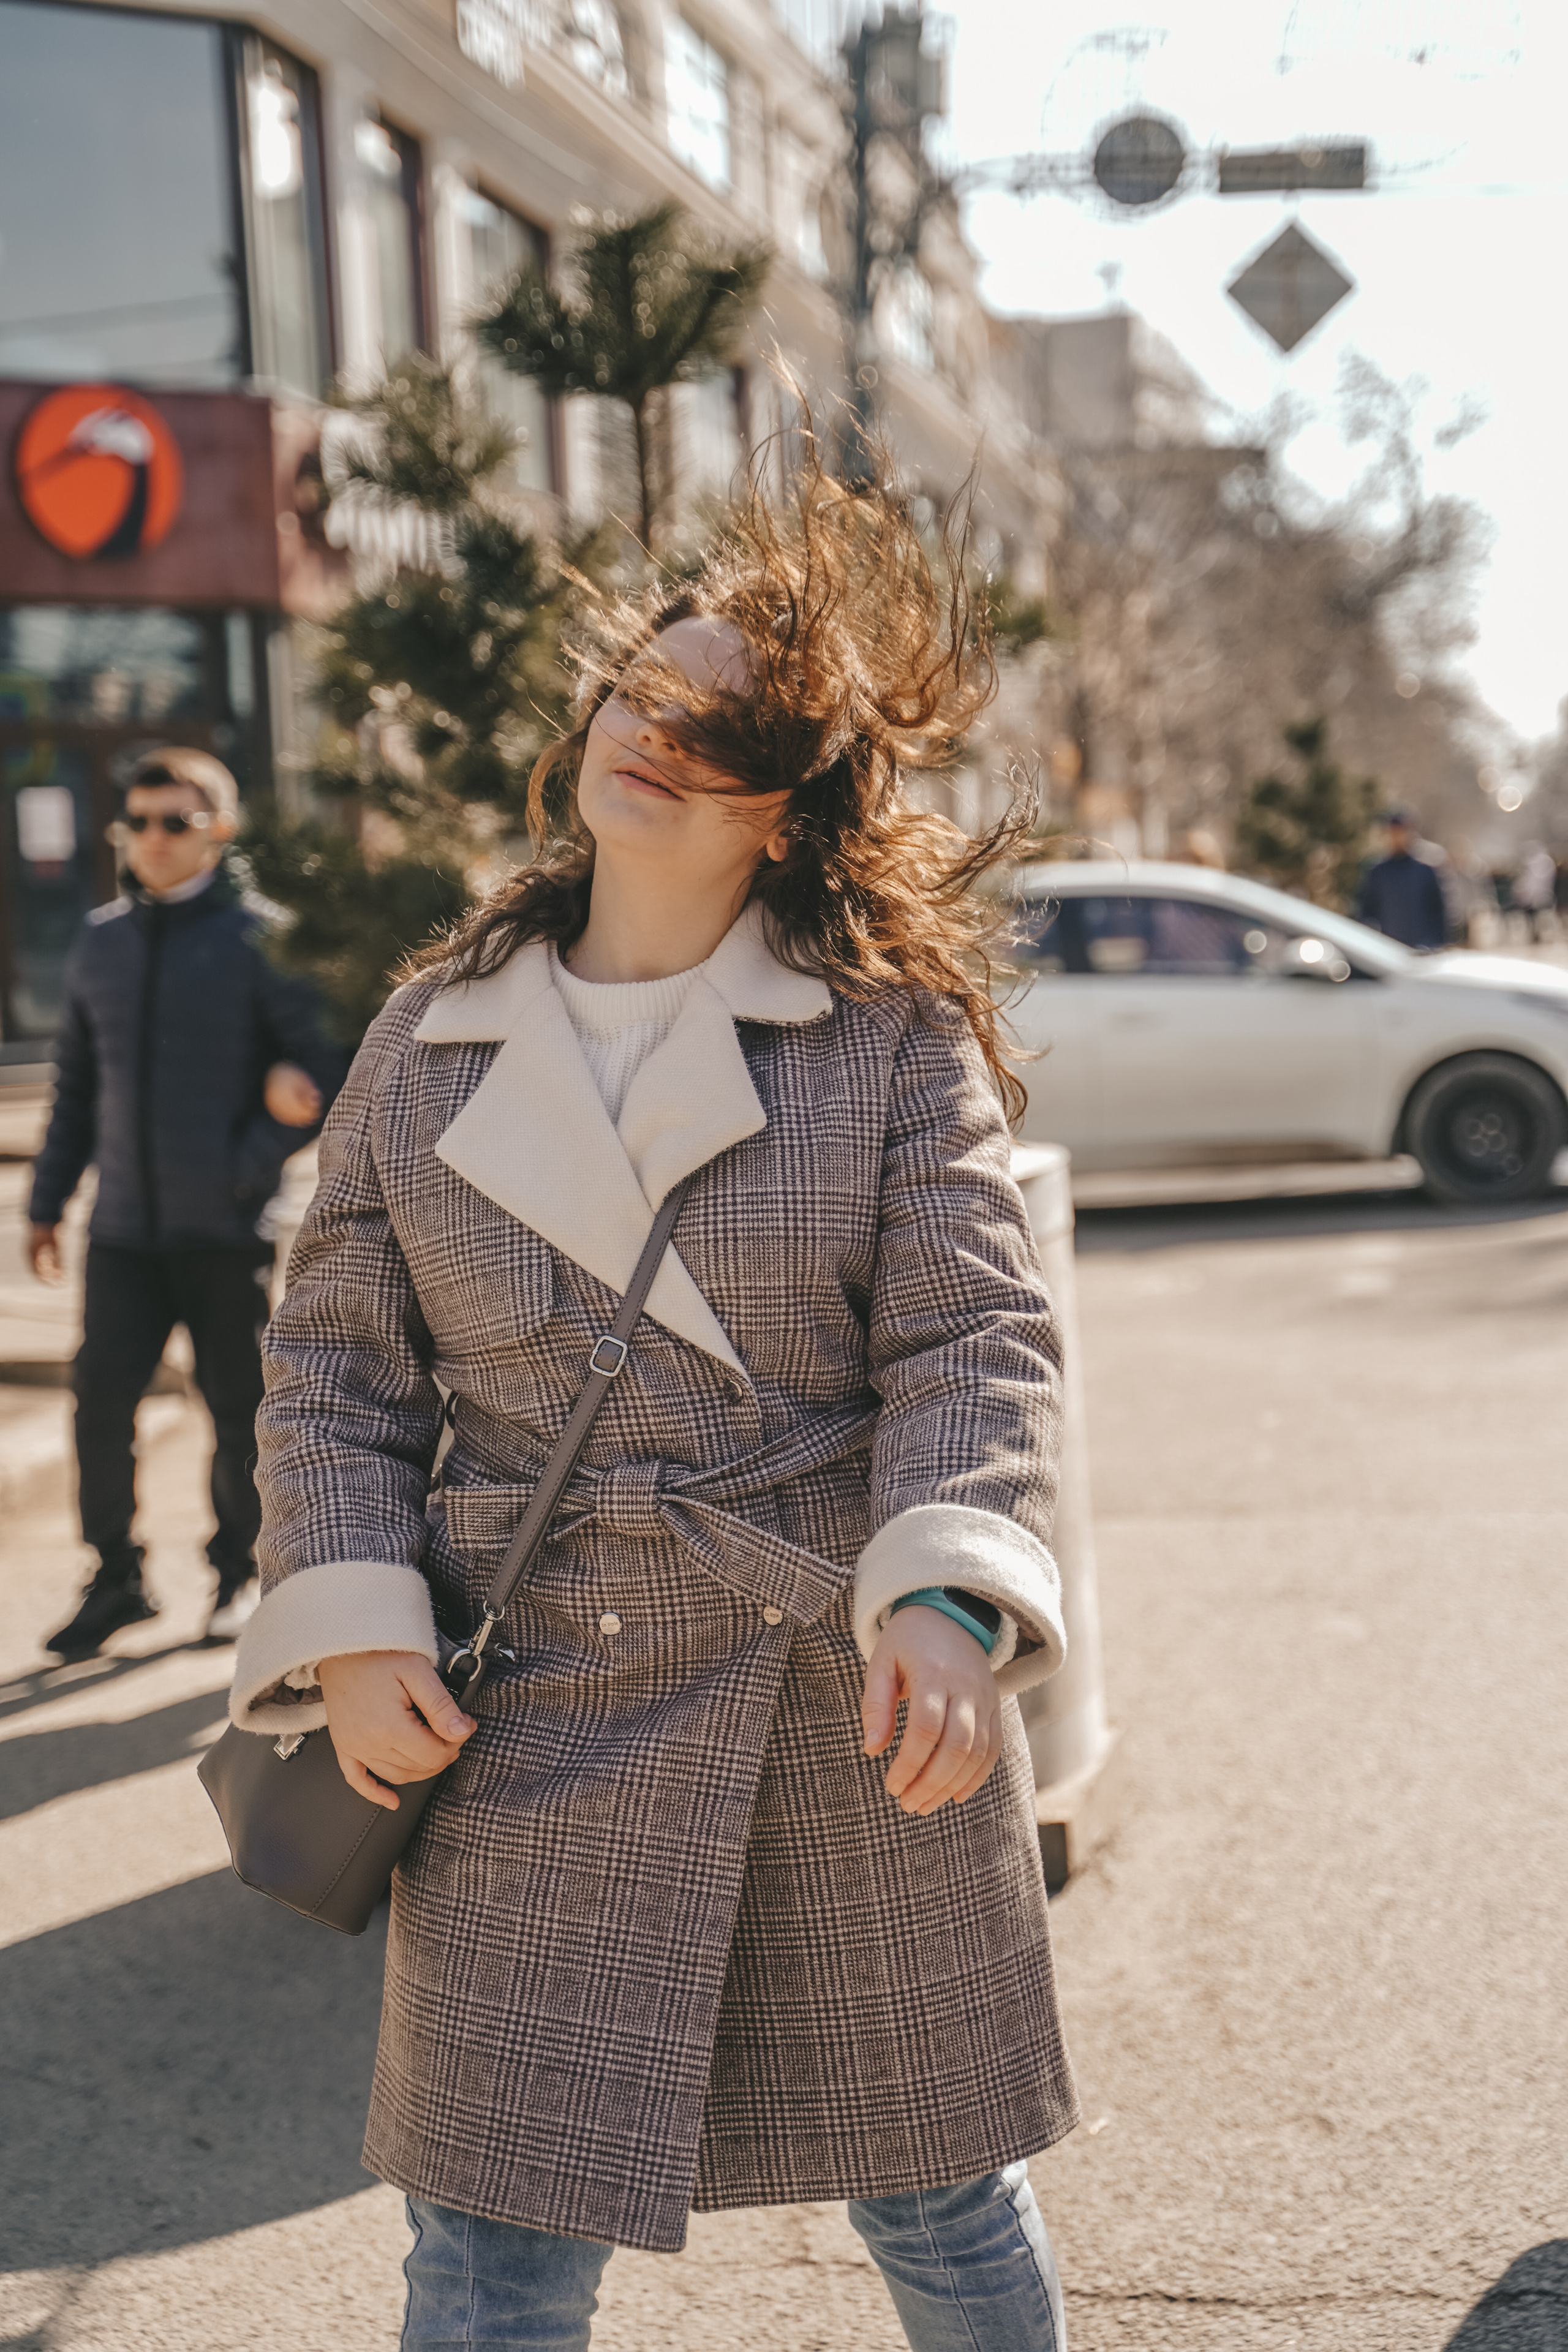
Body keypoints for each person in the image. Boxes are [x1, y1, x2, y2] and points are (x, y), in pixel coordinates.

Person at [229, 465, 1078, 2349]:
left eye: (729, 728)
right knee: (488, 2246)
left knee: (939, 2193)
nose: (662, 736)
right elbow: (334, 1367)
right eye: (642, 690)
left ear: (790, 810)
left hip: (836, 1697)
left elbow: (972, 1338)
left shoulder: (885, 1042)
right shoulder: (426, 1027)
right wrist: (354, 1629)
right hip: (527, 1700)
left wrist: (942, 1588)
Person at [31, 747, 341, 1659]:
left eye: (176, 821)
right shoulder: (102, 940)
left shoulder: (264, 937)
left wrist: (248, 1162)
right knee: (99, 1401)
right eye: (138, 822)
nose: (153, 840)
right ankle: (115, 1577)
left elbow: (327, 1061)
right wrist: (47, 1202)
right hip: (123, 1226)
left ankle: (240, 1575)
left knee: (237, 1402)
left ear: (220, 829)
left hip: (225, 1224)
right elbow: (76, 1084)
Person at [1355, 809, 1449, 949]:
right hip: (1388, 950)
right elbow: (1367, 912)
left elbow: (1439, 913)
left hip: (1422, 950)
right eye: (1393, 833)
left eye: (1401, 832)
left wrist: (1434, 944)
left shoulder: (1425, 871)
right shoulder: (1378, 872)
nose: (1397, 838)